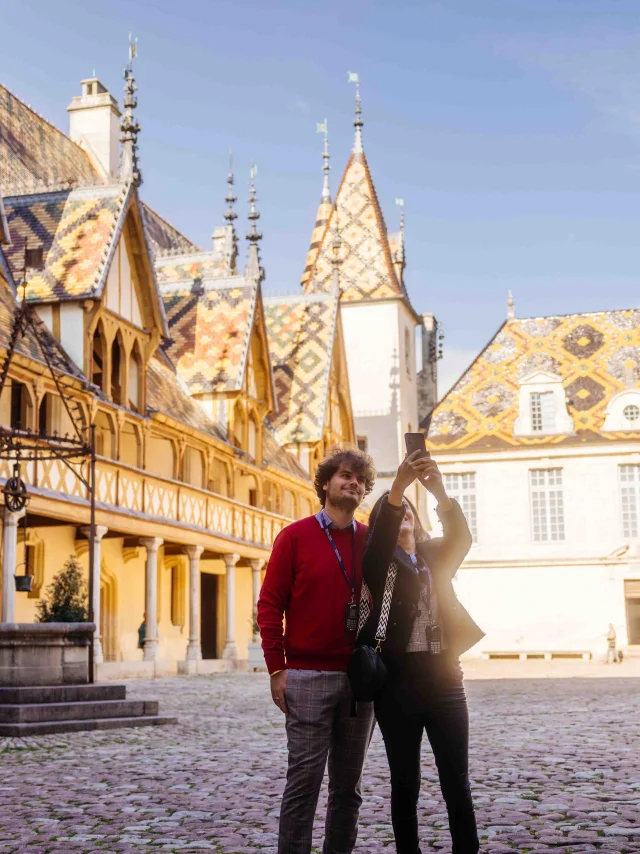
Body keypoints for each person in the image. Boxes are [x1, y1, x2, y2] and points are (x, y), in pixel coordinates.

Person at [358, 452, 484, 854]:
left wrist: (439, 491)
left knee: (456, 782)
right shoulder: (378, 562)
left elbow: (461, 538)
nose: (403, 513)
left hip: (446, 682)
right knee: (405, 784)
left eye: (408, 509)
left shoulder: (435, 556)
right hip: (396, 686)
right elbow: (377, 548)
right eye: (394, 511)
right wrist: (396, 488)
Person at [257, 447, 377, 854]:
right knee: (303, 784)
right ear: (326, 483)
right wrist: (277, 668)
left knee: (348, 789)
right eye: (345, 475)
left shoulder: (370, 540)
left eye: (360, 480)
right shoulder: (294, 536)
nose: (353, 483)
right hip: (307, 676)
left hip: (359, 679)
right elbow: (269, 605)